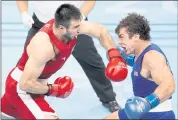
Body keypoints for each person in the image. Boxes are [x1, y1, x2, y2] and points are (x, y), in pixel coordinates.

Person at [1, 4, 128, 119]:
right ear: (62, 28)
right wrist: (53, 89)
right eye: (76, 27)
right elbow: (25, 84)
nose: (80, 30)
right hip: (22, 88)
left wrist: (114, 55)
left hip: (35, 81)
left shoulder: (71, 27)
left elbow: (101, 31)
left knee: (6, 113)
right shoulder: (44, 46)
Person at [104, 13, 176, 119]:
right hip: (141, 111)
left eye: (122, 37)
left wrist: (147, 103)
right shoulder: (141, 54)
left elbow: (169, 86)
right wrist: (123, 58)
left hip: (157, 115)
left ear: (136, 37)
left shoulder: (152, 57)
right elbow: (141, 66)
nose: (119, 42)